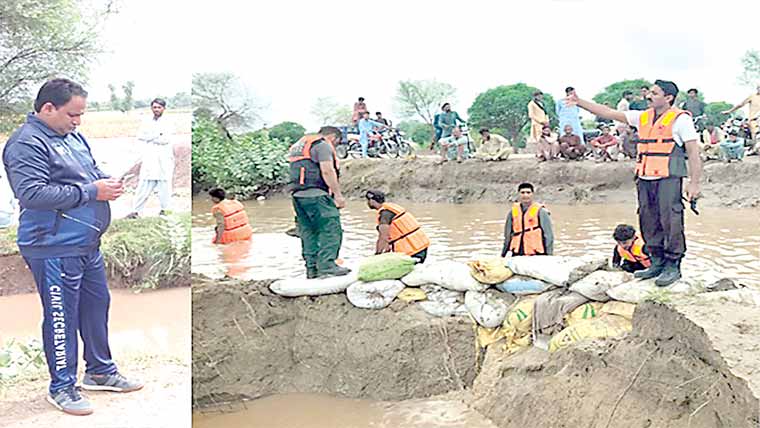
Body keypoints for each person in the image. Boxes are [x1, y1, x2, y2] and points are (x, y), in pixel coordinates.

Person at [2, 79, 143, 415]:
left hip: (85, 242)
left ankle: (100, 371)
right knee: (61, 315)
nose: (77, 121)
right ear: (48, 108)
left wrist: (108, 182)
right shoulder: (26, 143)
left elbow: (86, 175)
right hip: (51, 244)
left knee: (97, 305)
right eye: (72, 114)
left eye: (81, 115)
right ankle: (62, 387)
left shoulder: (72, 137)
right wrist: (93, 192)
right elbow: (33, 195)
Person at [566, 79, 702, 286]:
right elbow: (608, 112)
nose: (649, 96)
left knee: (671, 220)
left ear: (668, 98)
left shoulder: (680, 120)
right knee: (648, 220)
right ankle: (656, 261)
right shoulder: (642, 117)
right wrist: (579, 102)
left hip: (668, 178)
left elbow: (693, 153)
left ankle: (673, 265)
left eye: (655, 93)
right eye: (650, 93)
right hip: (644, 178)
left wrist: (694, 184)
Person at [288, 126, 349, 279]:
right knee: (331, 229)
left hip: (298, 196)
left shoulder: (299, 146)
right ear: (334, 138)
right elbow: (327, 170)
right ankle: (327, 265)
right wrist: (338, 195)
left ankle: (312, 268)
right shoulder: (322, 145)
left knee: (308, 231)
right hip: (317, 195)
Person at [125, 98, 174, 219]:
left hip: (164, 159)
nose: (156, 109)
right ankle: (136, 212)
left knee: (164, 186)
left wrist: (151, 137)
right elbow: (141, 136)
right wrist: (156, 135)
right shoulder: (146, 121)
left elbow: (165, 139)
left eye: (159, 107)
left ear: (164, 108)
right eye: (154, 107)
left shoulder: (168, 122)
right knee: (143, 186)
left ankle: (165, 211)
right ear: (151, 108)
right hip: (149, 158)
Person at [364, 190, 429, 263]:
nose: (367, 203)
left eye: (368, 200)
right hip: (420, 246)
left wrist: (377, 256)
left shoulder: (385, 214)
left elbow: (383, 237)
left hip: (411, 251)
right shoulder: (392, 208)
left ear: (372, 201)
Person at [501, 183, 554, 257]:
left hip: (536, 253)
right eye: (522, 193)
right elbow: (507, 236)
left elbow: (549, 236)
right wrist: (503, 255)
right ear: (518, 194)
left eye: (528, 192)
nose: (525, 195)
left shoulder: (541, 212)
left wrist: (549, 256)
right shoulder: (512, 212)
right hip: (517, 252)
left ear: (532, 194)